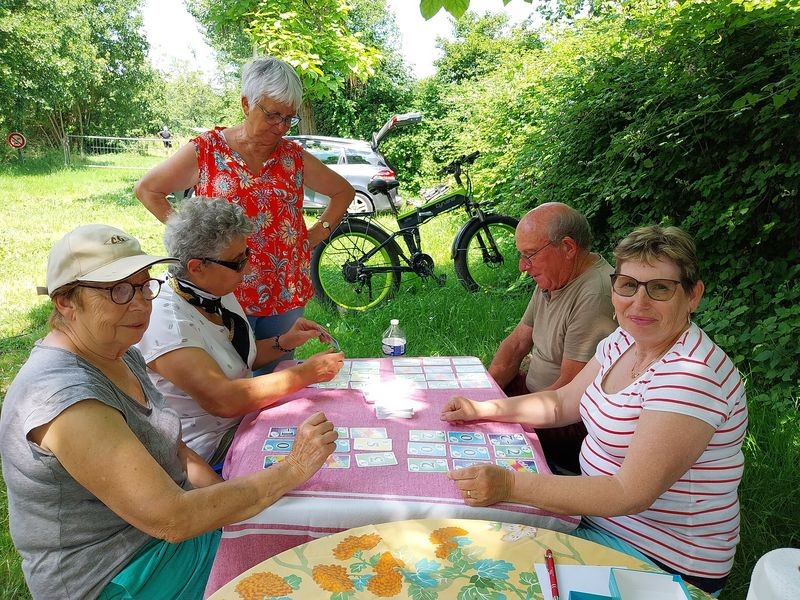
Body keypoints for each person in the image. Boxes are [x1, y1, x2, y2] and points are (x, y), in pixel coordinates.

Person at [0, 224, 337, 599]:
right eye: (118, 290)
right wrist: (292, 469)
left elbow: (176, 449)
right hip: (115, 576)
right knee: (311, 574)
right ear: (65, 302)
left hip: (161, 544)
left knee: (310, 542)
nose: (141, 303)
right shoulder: (65, 398)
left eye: (144, 286)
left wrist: (236, 509)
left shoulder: (121, 352)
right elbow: (173, 518)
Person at [443, 225, 748, 596]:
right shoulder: (624, 340)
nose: (640, 303)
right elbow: (561, 403)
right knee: (462, 532)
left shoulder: (690, 376)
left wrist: (510, 484)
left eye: (660, 288)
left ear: (693, 296)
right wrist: (482, 408)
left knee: (482, 569)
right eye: (628, 285)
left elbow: (628, 493)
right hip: (598, 523)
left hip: (661, 563)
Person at [134, 56, 353, 375]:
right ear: (246, 104)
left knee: (274, 375)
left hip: (284, 290)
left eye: (288, 118)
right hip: (223, 290)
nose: (281, 127)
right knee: (228, 374)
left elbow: (343, 191)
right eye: (273, 114)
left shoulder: (293, 157)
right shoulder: (207, 151)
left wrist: (316, 234)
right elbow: (148, 190)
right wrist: (192, 242)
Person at [136, 196, 344, 464]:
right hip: (206, 451)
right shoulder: (167, 322)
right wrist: (307, 373)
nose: (248, 269)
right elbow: (224, 401)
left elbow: (235, 360)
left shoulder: (211, 289)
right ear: (197, 267)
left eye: (247, 255)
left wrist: (285, 341)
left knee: (332, 424)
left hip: (242, 423)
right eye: (237, 262)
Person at [488, 202, 616, 472]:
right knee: (468, 404)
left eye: (531, 255)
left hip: (564, 422)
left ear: (568, 248)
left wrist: (496, 411)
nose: (523, 267)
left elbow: (567, 390)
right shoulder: (555, 275)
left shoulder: (595, 293)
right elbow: (517, 344)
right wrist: (484, 394)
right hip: (536, 396)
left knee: (484, 438)